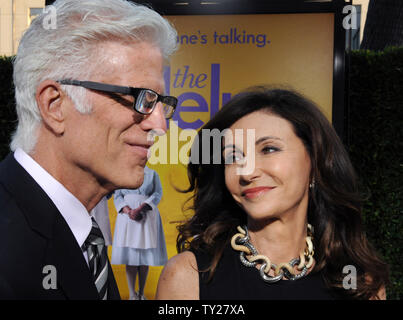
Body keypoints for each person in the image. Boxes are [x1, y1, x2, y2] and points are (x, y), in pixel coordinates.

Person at [0, 0, 177, 300]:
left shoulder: (83, 232)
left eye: (161, 103)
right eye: (141, 98)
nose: (159, 124)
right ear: (55, 105)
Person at [156, 87, 389, 300]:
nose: (247, 172)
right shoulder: (189, 276)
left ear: (315, 161)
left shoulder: (358, 280)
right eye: (232, 157)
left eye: (268, 149)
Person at [112, 166, 167, 300]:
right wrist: (128, 211)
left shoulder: (153, 174)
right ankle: (132, 295)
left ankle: (141, 293)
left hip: (147, 216)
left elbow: (157, 193)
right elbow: (117, 195)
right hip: (127, 218)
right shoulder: (122, 172)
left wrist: (142, 208)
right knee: (130, 256)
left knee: (144, 257)